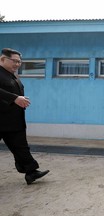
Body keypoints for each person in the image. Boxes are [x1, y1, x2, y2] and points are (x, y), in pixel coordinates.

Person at [0, 48, 49, 185]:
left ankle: (31, 172)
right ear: (2, 59)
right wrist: (14, 98)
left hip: (13, 120)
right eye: (14, 61)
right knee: (20, 147)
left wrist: (20, 101)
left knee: (21, 147)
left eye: (19, 62)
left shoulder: (12, 75)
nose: (17, 64)